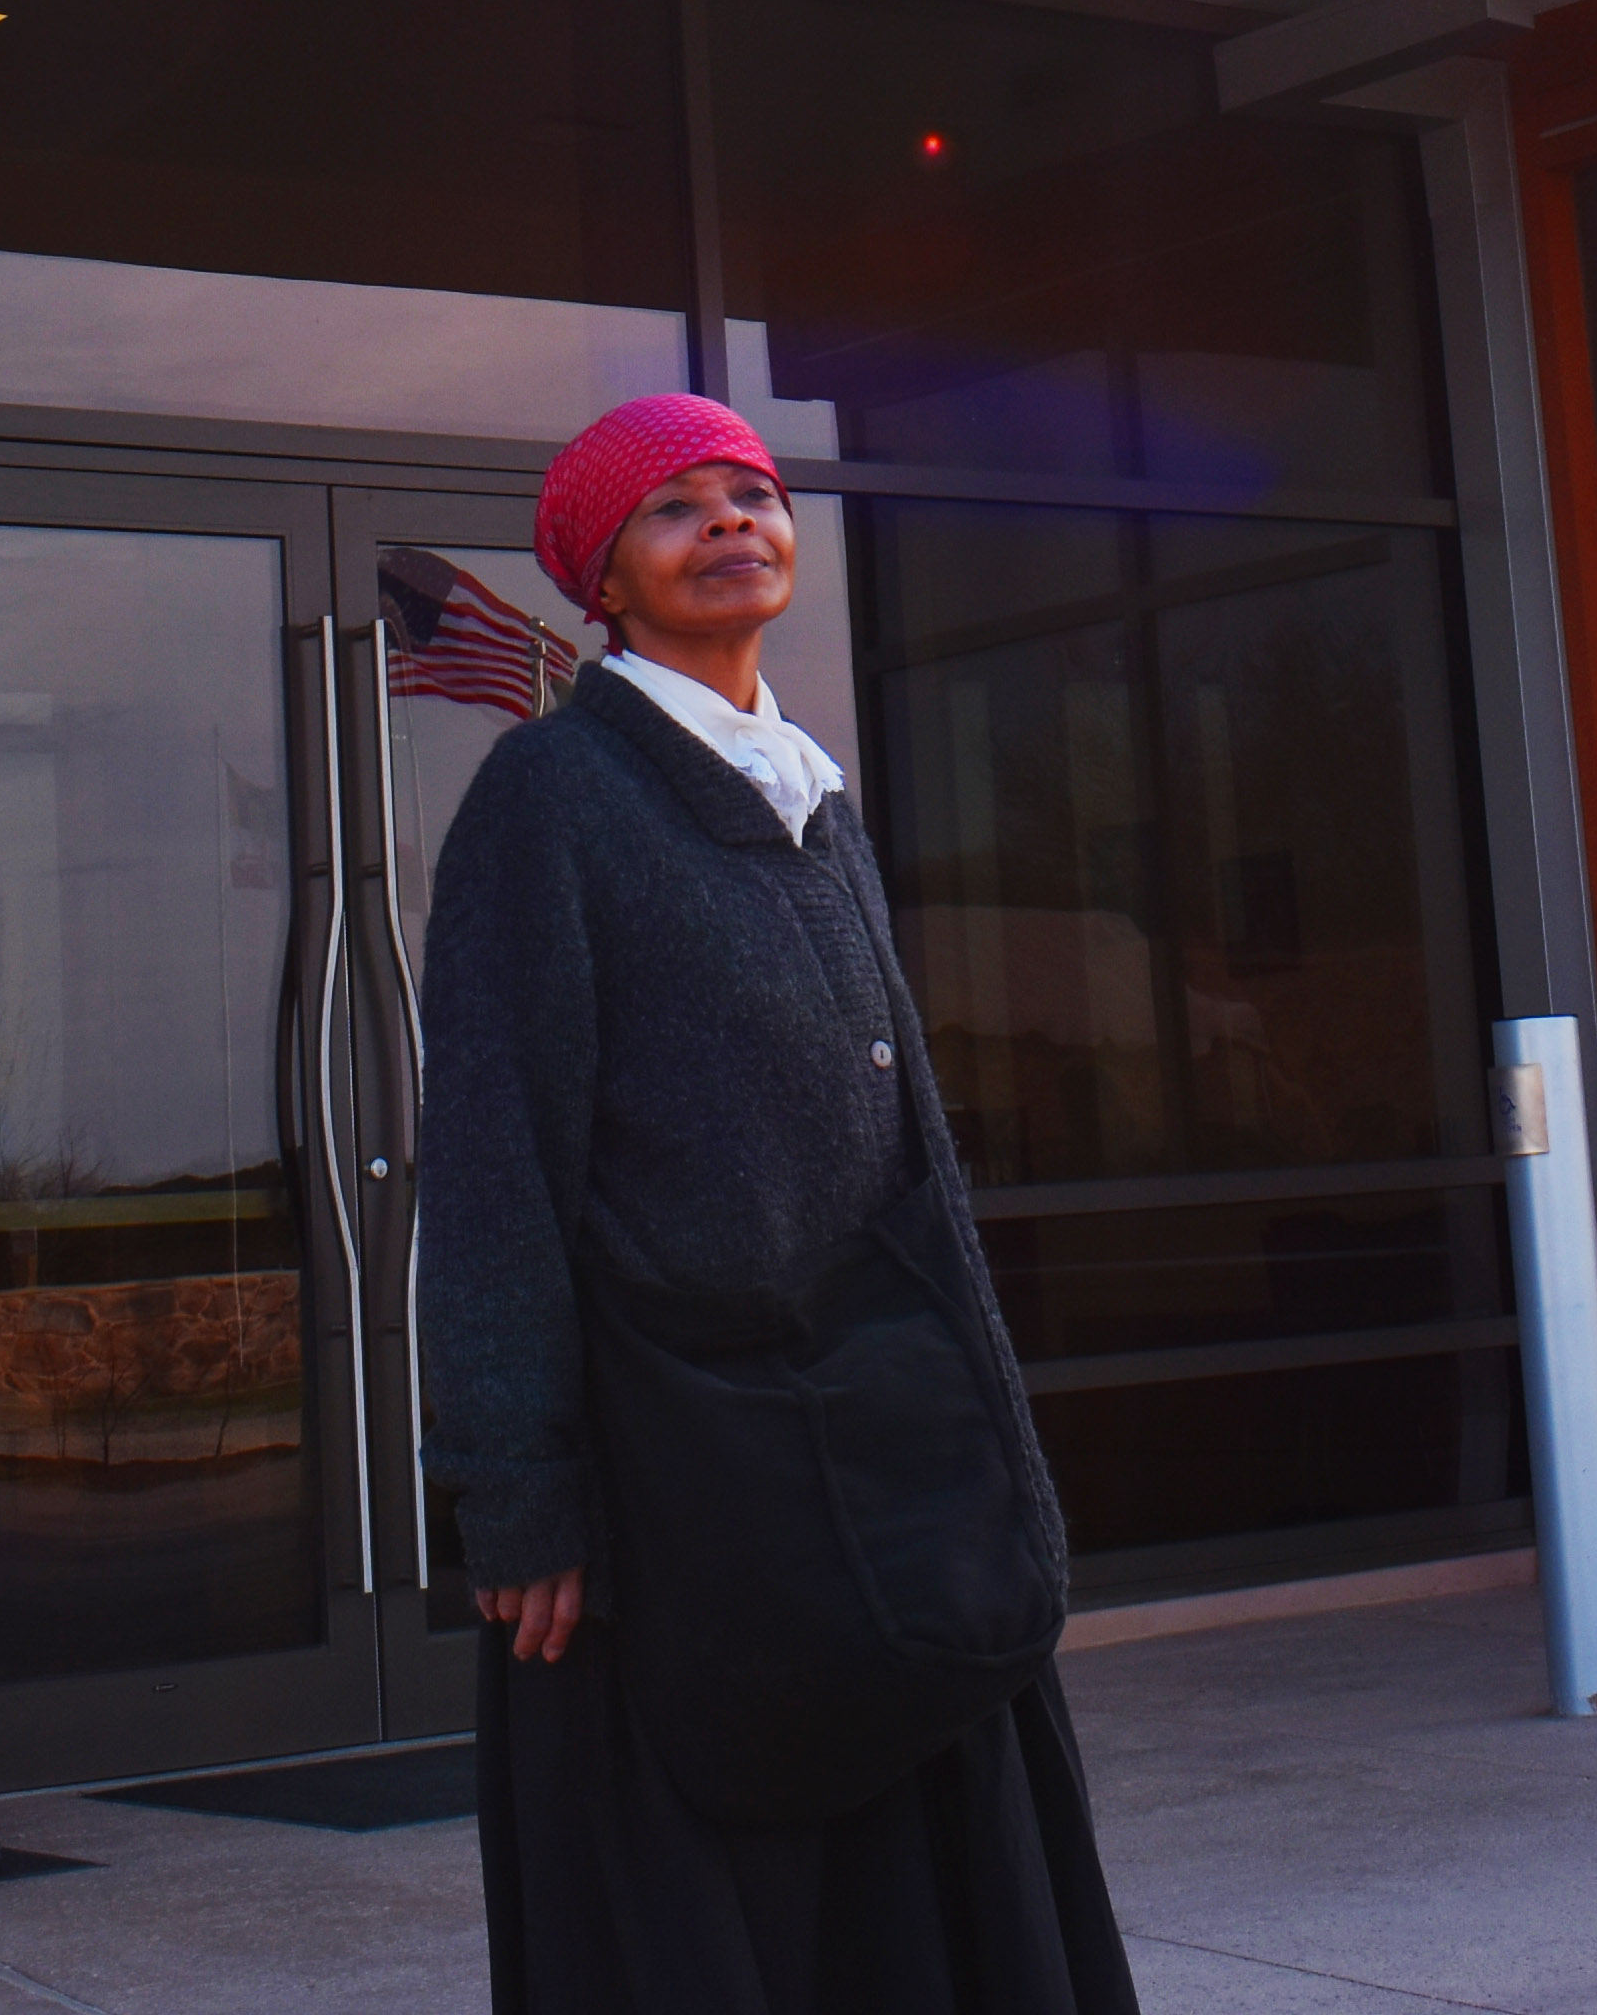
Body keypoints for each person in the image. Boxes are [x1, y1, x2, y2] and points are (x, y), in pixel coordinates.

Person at [417, 394, 1141, 2015]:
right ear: (603, 582)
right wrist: (513, 1483)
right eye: (676, 509)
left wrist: (985, 1427)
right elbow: (488, 1160)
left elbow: (913, 1153)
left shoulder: (816, 800)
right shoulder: (550, 795)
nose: (733, 522)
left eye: (753, 494)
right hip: (678, 1467)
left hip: (871, 1437)